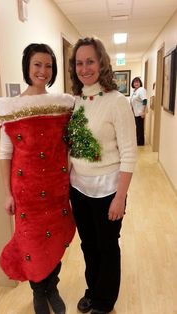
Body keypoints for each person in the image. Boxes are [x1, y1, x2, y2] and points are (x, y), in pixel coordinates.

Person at [0, 43, 76, 314]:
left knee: (55, 238)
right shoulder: (11, 107)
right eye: (37, 65)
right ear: (27, 68)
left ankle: (52, 287)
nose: (43, 71)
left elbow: (68, 144)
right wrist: (7, 193)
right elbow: (5, 153)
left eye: (48, 66)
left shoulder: (63, 105)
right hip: (26, 192)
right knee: (31, 242)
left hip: (56, 189)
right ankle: (38, 292)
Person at [68, 37, 137, 314]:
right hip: (79, 188)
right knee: (88, 245)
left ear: (102, 63)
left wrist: (120, 197)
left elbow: (129, 153)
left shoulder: (117, 102)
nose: (84, 68)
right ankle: (93, 290)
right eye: (79, 63)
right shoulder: (74, 101)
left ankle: (104, 302)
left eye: (90, 61)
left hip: (108, 189)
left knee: (107, 246)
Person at [130, 77, 148, 145]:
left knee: (140, 128)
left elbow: (145, 100)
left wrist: (143, 111)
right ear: (133, 84)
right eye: (135, 82)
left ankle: (140, 142)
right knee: (137, 127)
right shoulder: (134, 91)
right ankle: (138, 141)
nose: (136, 83)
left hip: (140, 112)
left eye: (137, 82)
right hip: (136, 112)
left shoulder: (141, 90)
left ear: (140, 83)